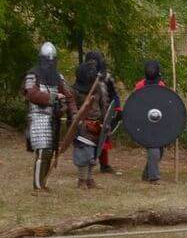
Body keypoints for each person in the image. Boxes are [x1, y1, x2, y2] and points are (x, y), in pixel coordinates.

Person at [22, 42, 71, 192]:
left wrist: (73, 111)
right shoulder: (32, 75)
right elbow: (32, 94)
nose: (50, 63)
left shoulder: (58, 77)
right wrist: (54, 97)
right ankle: (37, 186)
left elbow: (69, 96)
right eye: (47, 60)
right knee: (43, 151)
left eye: (52, 60)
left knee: (49, 152)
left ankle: (43, 183)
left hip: (53, 118)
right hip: (38, 116)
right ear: (41, 59)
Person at [68, 59, 108, 189]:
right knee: (83, 153)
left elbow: (103, 106)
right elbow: (71, 107)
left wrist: (105, 121)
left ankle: (90, 179)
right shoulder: (74, 91)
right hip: (82, 126)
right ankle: (82, 180)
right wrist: (75, 117)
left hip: (96, 126)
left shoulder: (98, 88)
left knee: (93, 154)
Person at [130, 61, 170, 184]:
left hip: (157, 121)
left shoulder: (161, 85)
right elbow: (134, 105)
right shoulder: (139, 86)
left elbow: (165, 105)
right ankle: (154, 178)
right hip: (144, 123)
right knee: (154, 148)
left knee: (159, 150)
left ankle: (147, 174)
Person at [83, 50, 121, 174]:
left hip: (104, 110)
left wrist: (117, 108)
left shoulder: (107, 77)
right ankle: (87, 163)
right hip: (88, 111)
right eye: (90, 61)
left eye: (95, 61)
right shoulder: (84, 76)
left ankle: (104, 165)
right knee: (88, 137)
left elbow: (114, 94)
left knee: (103, 137)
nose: (93, 63)